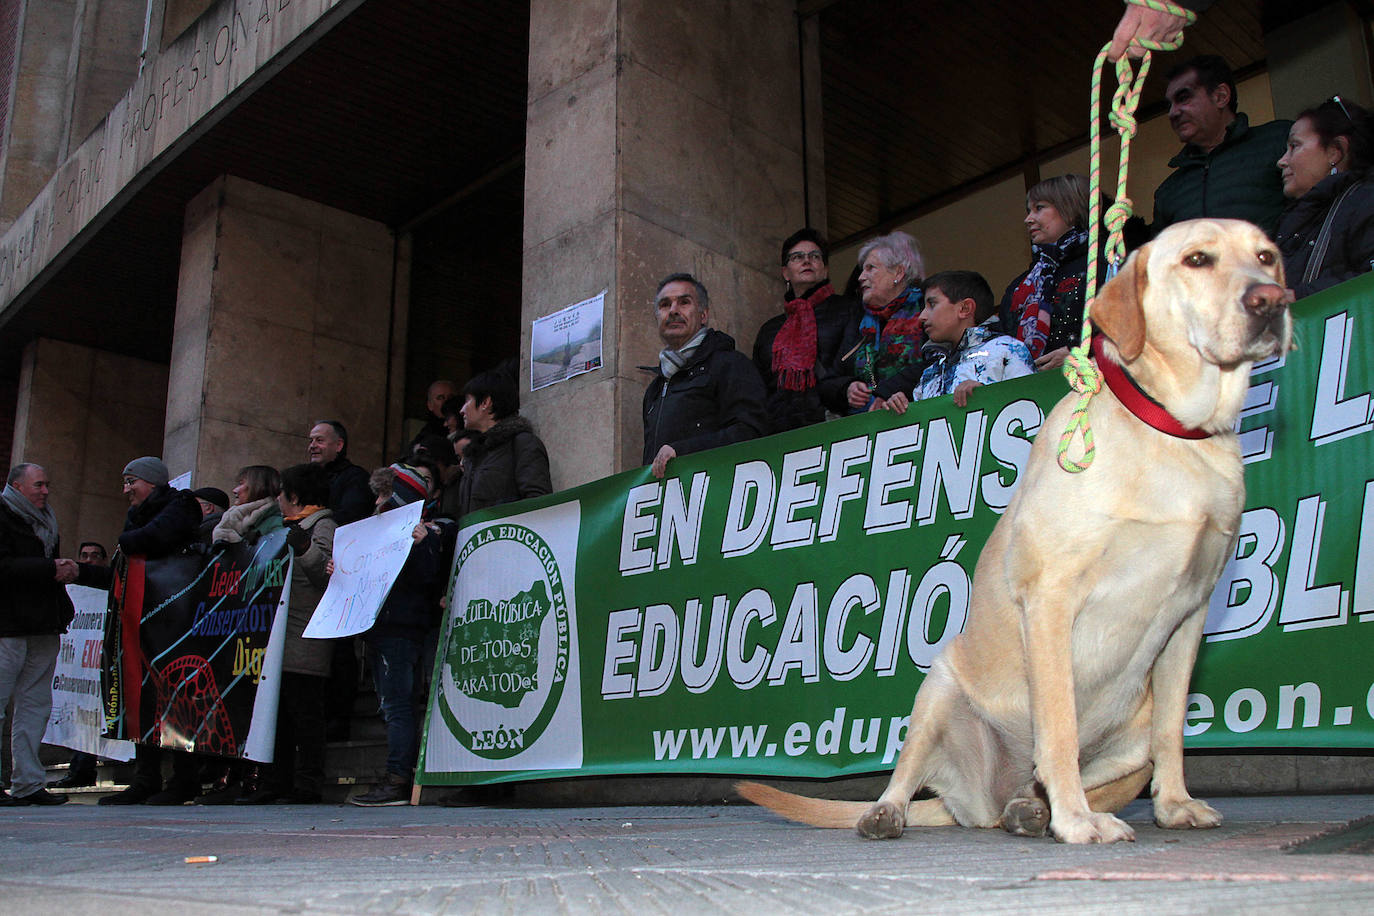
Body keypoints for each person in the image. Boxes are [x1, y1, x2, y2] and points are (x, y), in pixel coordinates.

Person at [98, 457, 204, 806]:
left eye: (132, 482)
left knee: (176, 694)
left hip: (175, 617)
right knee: (140, 694)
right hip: (141, 619)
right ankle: (146, 777)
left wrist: (129, 540)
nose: (126, 490)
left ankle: (184, 778)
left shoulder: (181, 505)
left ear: (153, 482)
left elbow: (150, 538)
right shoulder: (138, 516)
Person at [236, 463, 335, 805]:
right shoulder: (280, 528)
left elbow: (326, 574)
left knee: (305, 716)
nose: (276, 499)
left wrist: (305, 547)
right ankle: (274, 783)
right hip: (278, 637)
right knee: (278, 718)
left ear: (294, 496)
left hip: (303, 637)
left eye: (281, 493)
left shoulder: (323, 525)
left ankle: (306, 784)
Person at [0, 463, 97, 807]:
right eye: (39, 485)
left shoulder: (46, 520)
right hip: (8, 625)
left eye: (47, 484)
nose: (45, 491)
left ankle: (28, 782)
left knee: (35, 706)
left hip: (42, 624)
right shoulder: (4, 514)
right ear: (17, 486)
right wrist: (47, 569)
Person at [350, 464, 444, 807]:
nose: (377, 501)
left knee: (398, 706)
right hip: (383, 628)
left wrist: (422, 546)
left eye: (385, 494)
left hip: (401, 630)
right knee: (392, 705)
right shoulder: (382, 533)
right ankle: (395, 776)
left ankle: (397, 779)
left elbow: (427, 580)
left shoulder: (425, 535)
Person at [642, 273, 768, 479]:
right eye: (665, 305)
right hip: (671, 505)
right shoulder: (654, 389)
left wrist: (681, 451)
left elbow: (751, 433)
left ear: (703, 315)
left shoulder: (731, 365)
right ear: (657, 317)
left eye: (684, 302)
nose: (673, 311)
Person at [1150, 55, 1291, 237]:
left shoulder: (1279, 141)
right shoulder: (1168, 191)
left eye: (1183, 98)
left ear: (1220, 96)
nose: (1172, 113)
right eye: (1169, 105)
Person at [751, 228, 862, 432]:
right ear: (785, 272)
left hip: (832, 422)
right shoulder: (769, 330)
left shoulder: (848, 309)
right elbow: (758, 389)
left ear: (825, 269)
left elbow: (856, 364)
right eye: (797, 257)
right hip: (781, 431)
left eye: (815, 256)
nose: (807, 261)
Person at [1276, 96, 1374, 299]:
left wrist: (1298, 296)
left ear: (1334, 152)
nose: (1282, 161)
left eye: (1294, 146)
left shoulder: (1365, 202)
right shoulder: (1298, 217)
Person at [999, 175, 1099, 372]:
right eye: (1029, 211)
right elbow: (1002, 343)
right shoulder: (1021, 285)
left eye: (1039, 208)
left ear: (1070, 209)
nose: (1028, 219)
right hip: (1033, 392)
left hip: (1091, 383)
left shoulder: (1102, 262)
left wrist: (1079, 352)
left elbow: (1126, 327)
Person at [906, 271, 1034, 410]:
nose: (922, 317)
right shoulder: (930, 373)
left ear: (965, 308)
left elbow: (1030, 408)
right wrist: (900, 414)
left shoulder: (1008, 350)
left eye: (932, 304)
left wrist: (987, 395)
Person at [842, 231, 931, 413]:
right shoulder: (859, 319)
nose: (861, 277)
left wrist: (887, 391)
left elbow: (937, 361)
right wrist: (847, 387)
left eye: (870, 268)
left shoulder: (925, 308)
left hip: (916, 416)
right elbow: (834, 374)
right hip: (863, 425)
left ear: (898, 272)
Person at [50, 539, 109, 790]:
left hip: (102, 667)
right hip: (79, 669)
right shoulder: (72, 590)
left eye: (95, 556)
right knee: (80, 713)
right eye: (83, 556)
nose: (88, 560)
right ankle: (80, 767)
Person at [456, 369, 553, 517]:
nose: (462, 410)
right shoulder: (473, 455)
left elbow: (538, 504)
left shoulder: (522, 444)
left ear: (485, 403)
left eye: (467, 401)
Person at [307, 420, 373, 527]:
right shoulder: (307, 479)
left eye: (319, 440)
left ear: (339, 445)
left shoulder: (356, 478)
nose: (312, 446)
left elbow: (351, 517)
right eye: (310, 441)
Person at [409, 380, 457, 449]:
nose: (446, 401)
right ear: (430, 405)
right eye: (440, 398)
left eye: (450, 397)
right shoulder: (425, 436)